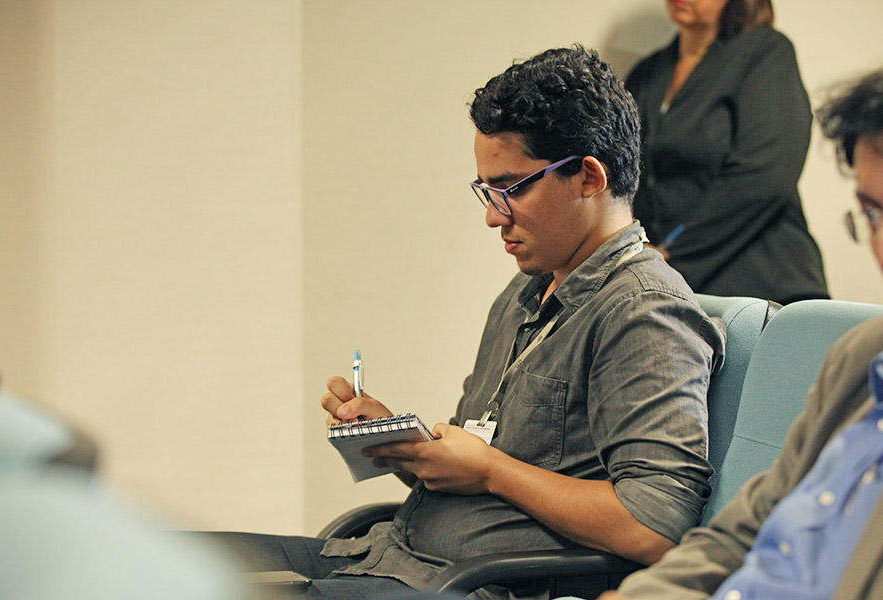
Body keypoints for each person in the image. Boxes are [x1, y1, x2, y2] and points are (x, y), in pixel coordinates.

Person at [210, 45, 724, 600]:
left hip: (467, 586)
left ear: (589, 178)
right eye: (486, 190)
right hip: (389, 555)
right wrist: (407, 446)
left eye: (512, 188)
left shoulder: (644, 310)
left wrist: (487, 470)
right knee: (160, 559)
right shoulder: (524, 292)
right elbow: (476, 463)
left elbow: (657, 526)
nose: (492, 215)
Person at [590, 66, 883, 600]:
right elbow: (740, 534)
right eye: (874, 214)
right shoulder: (860, 359)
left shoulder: (643, 302)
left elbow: (651, 519)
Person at [624, 0, 828, 304]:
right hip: (675, 290)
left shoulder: (765, 50)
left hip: (764, 284)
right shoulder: (647, 73)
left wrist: (673, 252)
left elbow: (768, 174)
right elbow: (623, 175)